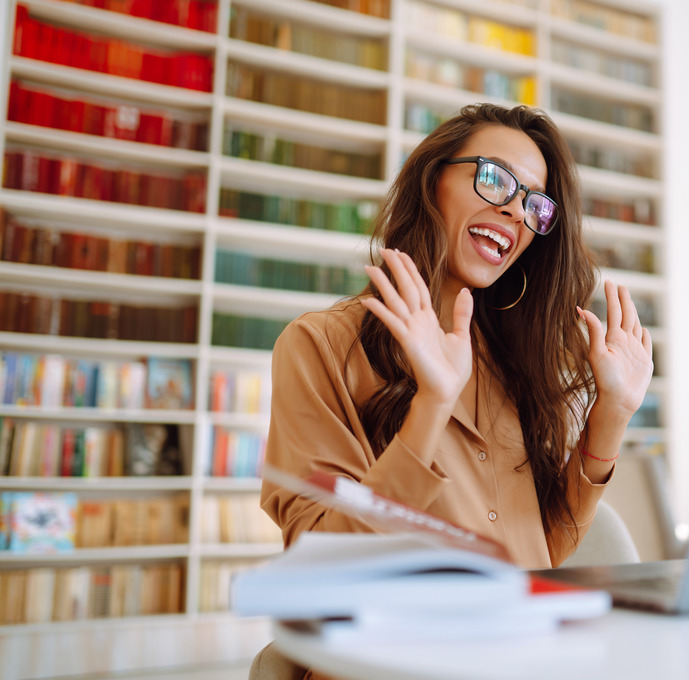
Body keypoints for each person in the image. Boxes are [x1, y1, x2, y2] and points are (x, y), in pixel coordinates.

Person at [261, 102, 654, 571]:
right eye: (494, 178)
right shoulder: (318, 345)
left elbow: (545, 549)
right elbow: (320, 563)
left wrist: (612, 412)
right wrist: (431, 405)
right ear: (433, 182)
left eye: (534, 204)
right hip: (415, 641)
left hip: (522, 631)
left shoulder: (514, 357)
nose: (513, 209)